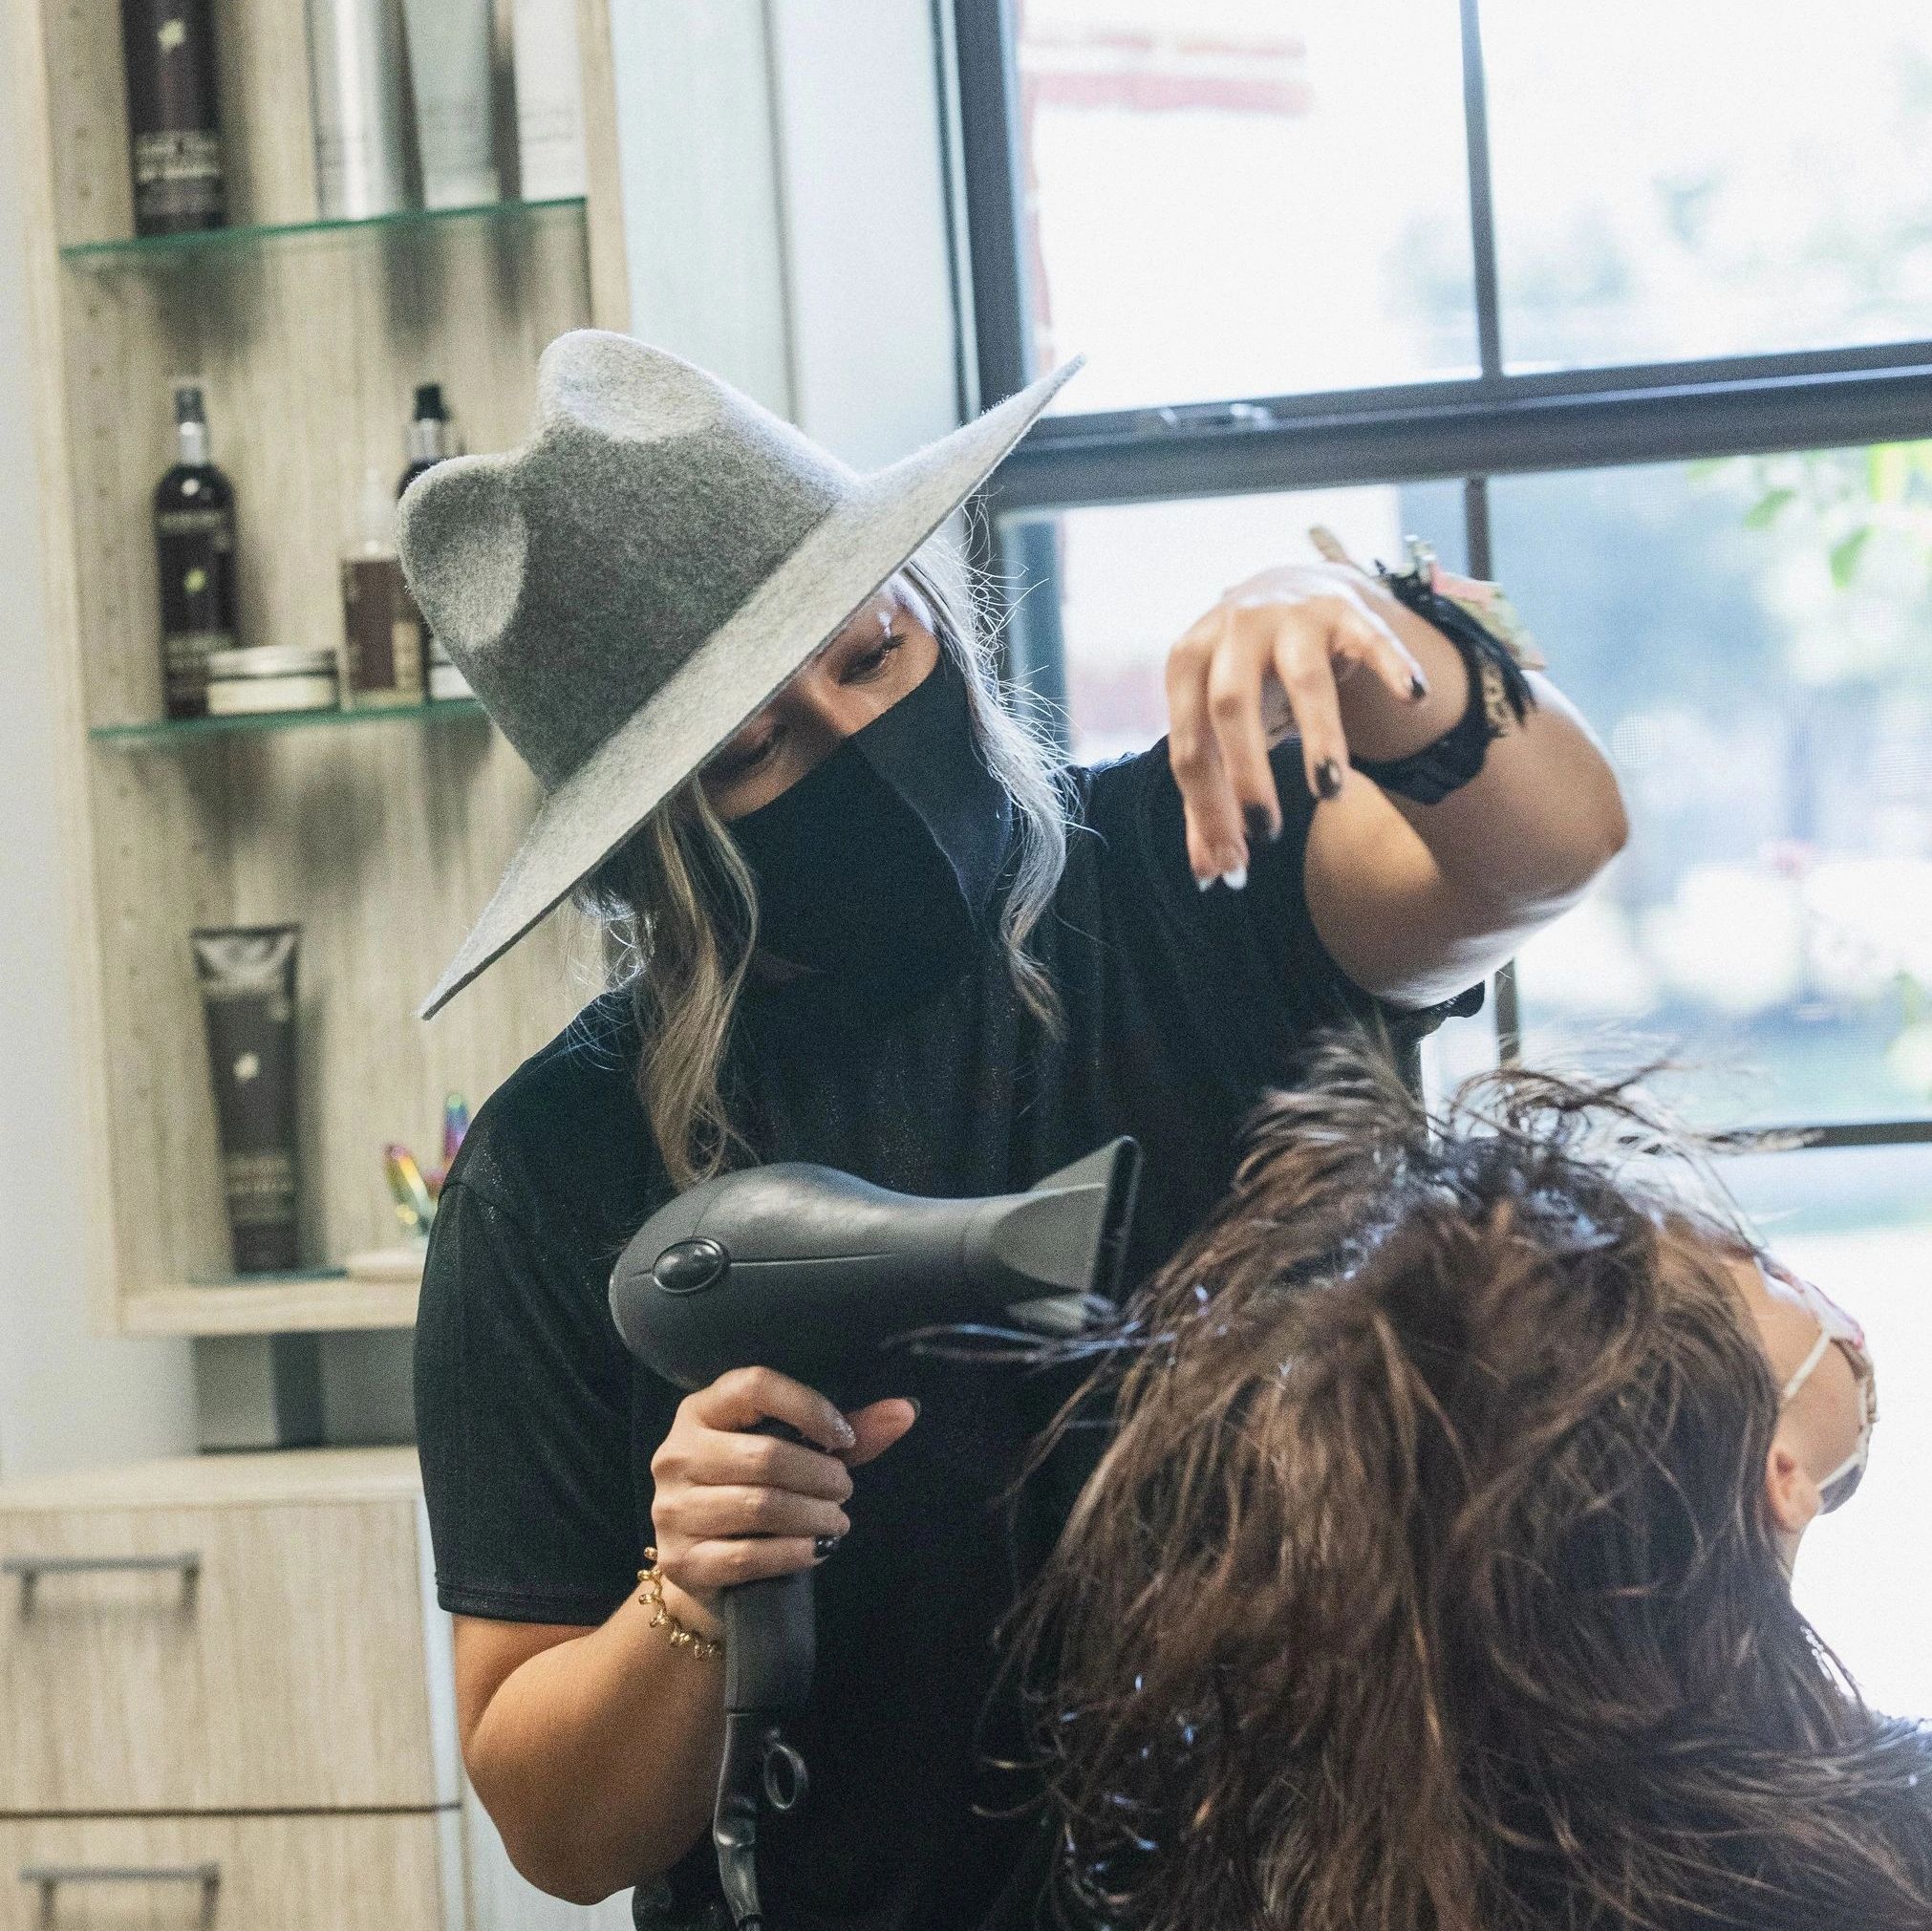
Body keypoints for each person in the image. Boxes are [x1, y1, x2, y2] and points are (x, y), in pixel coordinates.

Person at [398, 329, 1628, 1929]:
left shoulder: (1190, 867)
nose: (852, 740)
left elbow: (1546, 852)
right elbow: (556, 1830)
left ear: (933, 617)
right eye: (757, 746)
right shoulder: (560, 1163)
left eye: (871, 654)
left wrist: (1370, 642)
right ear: (650, 837)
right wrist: (688, 1599)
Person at [1018, 1038, 1920, 1931]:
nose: (1790, 1276)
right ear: (1782, 1478)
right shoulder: (1885, 1852)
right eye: (1757, 1267)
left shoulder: (1324, 1854)